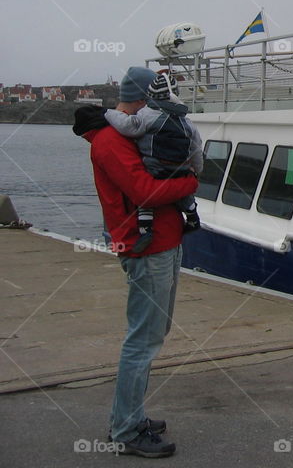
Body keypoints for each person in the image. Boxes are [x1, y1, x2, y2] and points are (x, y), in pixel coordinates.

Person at [73, 66, 198, 459]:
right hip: (146, 249)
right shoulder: (111, 142)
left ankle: (128, 416)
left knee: (150, 335)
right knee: (142, 341)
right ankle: (126, 430)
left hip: (161, 243)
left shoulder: (131, 134)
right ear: (145, 99)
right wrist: (193, 182)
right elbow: (145, 189)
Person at [104, 72, 203, 252]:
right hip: (181, 169)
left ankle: (146, 229)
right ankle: (193, 216)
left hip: (156, 167)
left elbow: (129, 127)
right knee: (183, 189)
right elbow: (196, 149)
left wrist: (108, 113)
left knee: (147, 196)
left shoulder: (148, 116)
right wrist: (196, 171)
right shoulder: (187, 122)